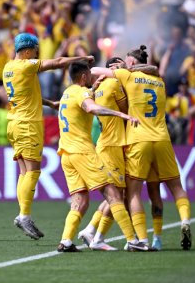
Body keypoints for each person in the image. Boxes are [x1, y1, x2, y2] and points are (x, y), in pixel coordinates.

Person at [91, 45, 192, 250]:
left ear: (133, 63)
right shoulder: (160, 81)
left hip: (138, 139)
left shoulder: (127, 76)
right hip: (162, 139)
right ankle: (183, 223)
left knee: (134, 192)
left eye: (127, 62)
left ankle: (141, 239)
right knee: (176, 188)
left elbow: (93, 70)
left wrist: (124, 70)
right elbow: (154, 70)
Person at [2, 32, 94, 240]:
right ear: (26, 50)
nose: (36, 54)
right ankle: (24, 215)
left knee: (24, 172)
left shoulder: (8, 67)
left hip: (14, 122)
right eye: (35, 51)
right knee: (32, 172)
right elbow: (58, 62)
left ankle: (23, 214)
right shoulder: (26, 65)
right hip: (28, 124)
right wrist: (80, 59)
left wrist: (49, 103)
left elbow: (25, 93)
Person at [56, 60, 148, 252]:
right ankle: (132, 240)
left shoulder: (67, 92)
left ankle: (65, 241)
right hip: (82, 152)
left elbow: (78, 100)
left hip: (65, 153)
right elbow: (91, 108)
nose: (92, 78)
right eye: (89, 75)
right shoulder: (81, 93)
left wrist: (93, 88)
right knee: (113, 194)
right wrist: (121, 114)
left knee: (80, 200)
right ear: (83, 77)